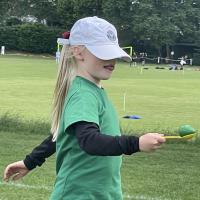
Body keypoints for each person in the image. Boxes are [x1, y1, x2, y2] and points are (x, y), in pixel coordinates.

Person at [3, 16, 166, 200]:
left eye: (113, 53)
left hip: (101, 193)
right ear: (79, 52)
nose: (112, 59)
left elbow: (62, 134)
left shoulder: (93, 91)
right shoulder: (83, 94)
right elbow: (89, 140)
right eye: (103, 53)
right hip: (79, 195)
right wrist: (136, 143)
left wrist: (30, 161)